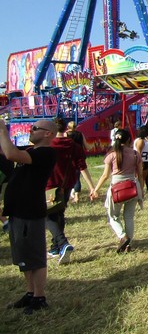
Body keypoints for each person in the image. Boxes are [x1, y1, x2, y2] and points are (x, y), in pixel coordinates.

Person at [1, 119, 57, 314]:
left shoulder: (46, 152)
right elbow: (5, 151)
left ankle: (39, 296)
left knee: (35, 256)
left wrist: (2, 128)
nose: (30, 130)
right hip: (18, 211)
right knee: (23, 256)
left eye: (35, 128)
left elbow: (10, 153)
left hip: (30, 211)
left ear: (48, 133)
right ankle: (30, 292)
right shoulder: (32, 150)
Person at [45, 117, 94, 265]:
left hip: (49, 186)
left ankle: (62, 243)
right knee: (59, 214)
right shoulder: (73, 145)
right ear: (66, 128)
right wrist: (92, 186)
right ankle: (55, 247)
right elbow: (82, 166)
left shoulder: (48, 145)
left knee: (47, 217)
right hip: (66, 185)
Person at [91, 128, 144, 254]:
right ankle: (128, 243)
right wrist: (141, 190)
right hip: (133, 186)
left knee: (113, 216)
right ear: (129, 140)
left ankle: (122, 236)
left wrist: (95, 189)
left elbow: (105, 175)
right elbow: (140, 175)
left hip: (117, 188)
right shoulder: (135, 154)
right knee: (129, 217)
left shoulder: (111, 155)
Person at [65, 120, 89, 203]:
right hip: (79, 156)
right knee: (77, 177)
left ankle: (68, 194)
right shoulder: (80, 134)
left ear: (68, 127)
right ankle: (76, 196)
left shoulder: (66, 134)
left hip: (69, 158)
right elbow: (87, 146)